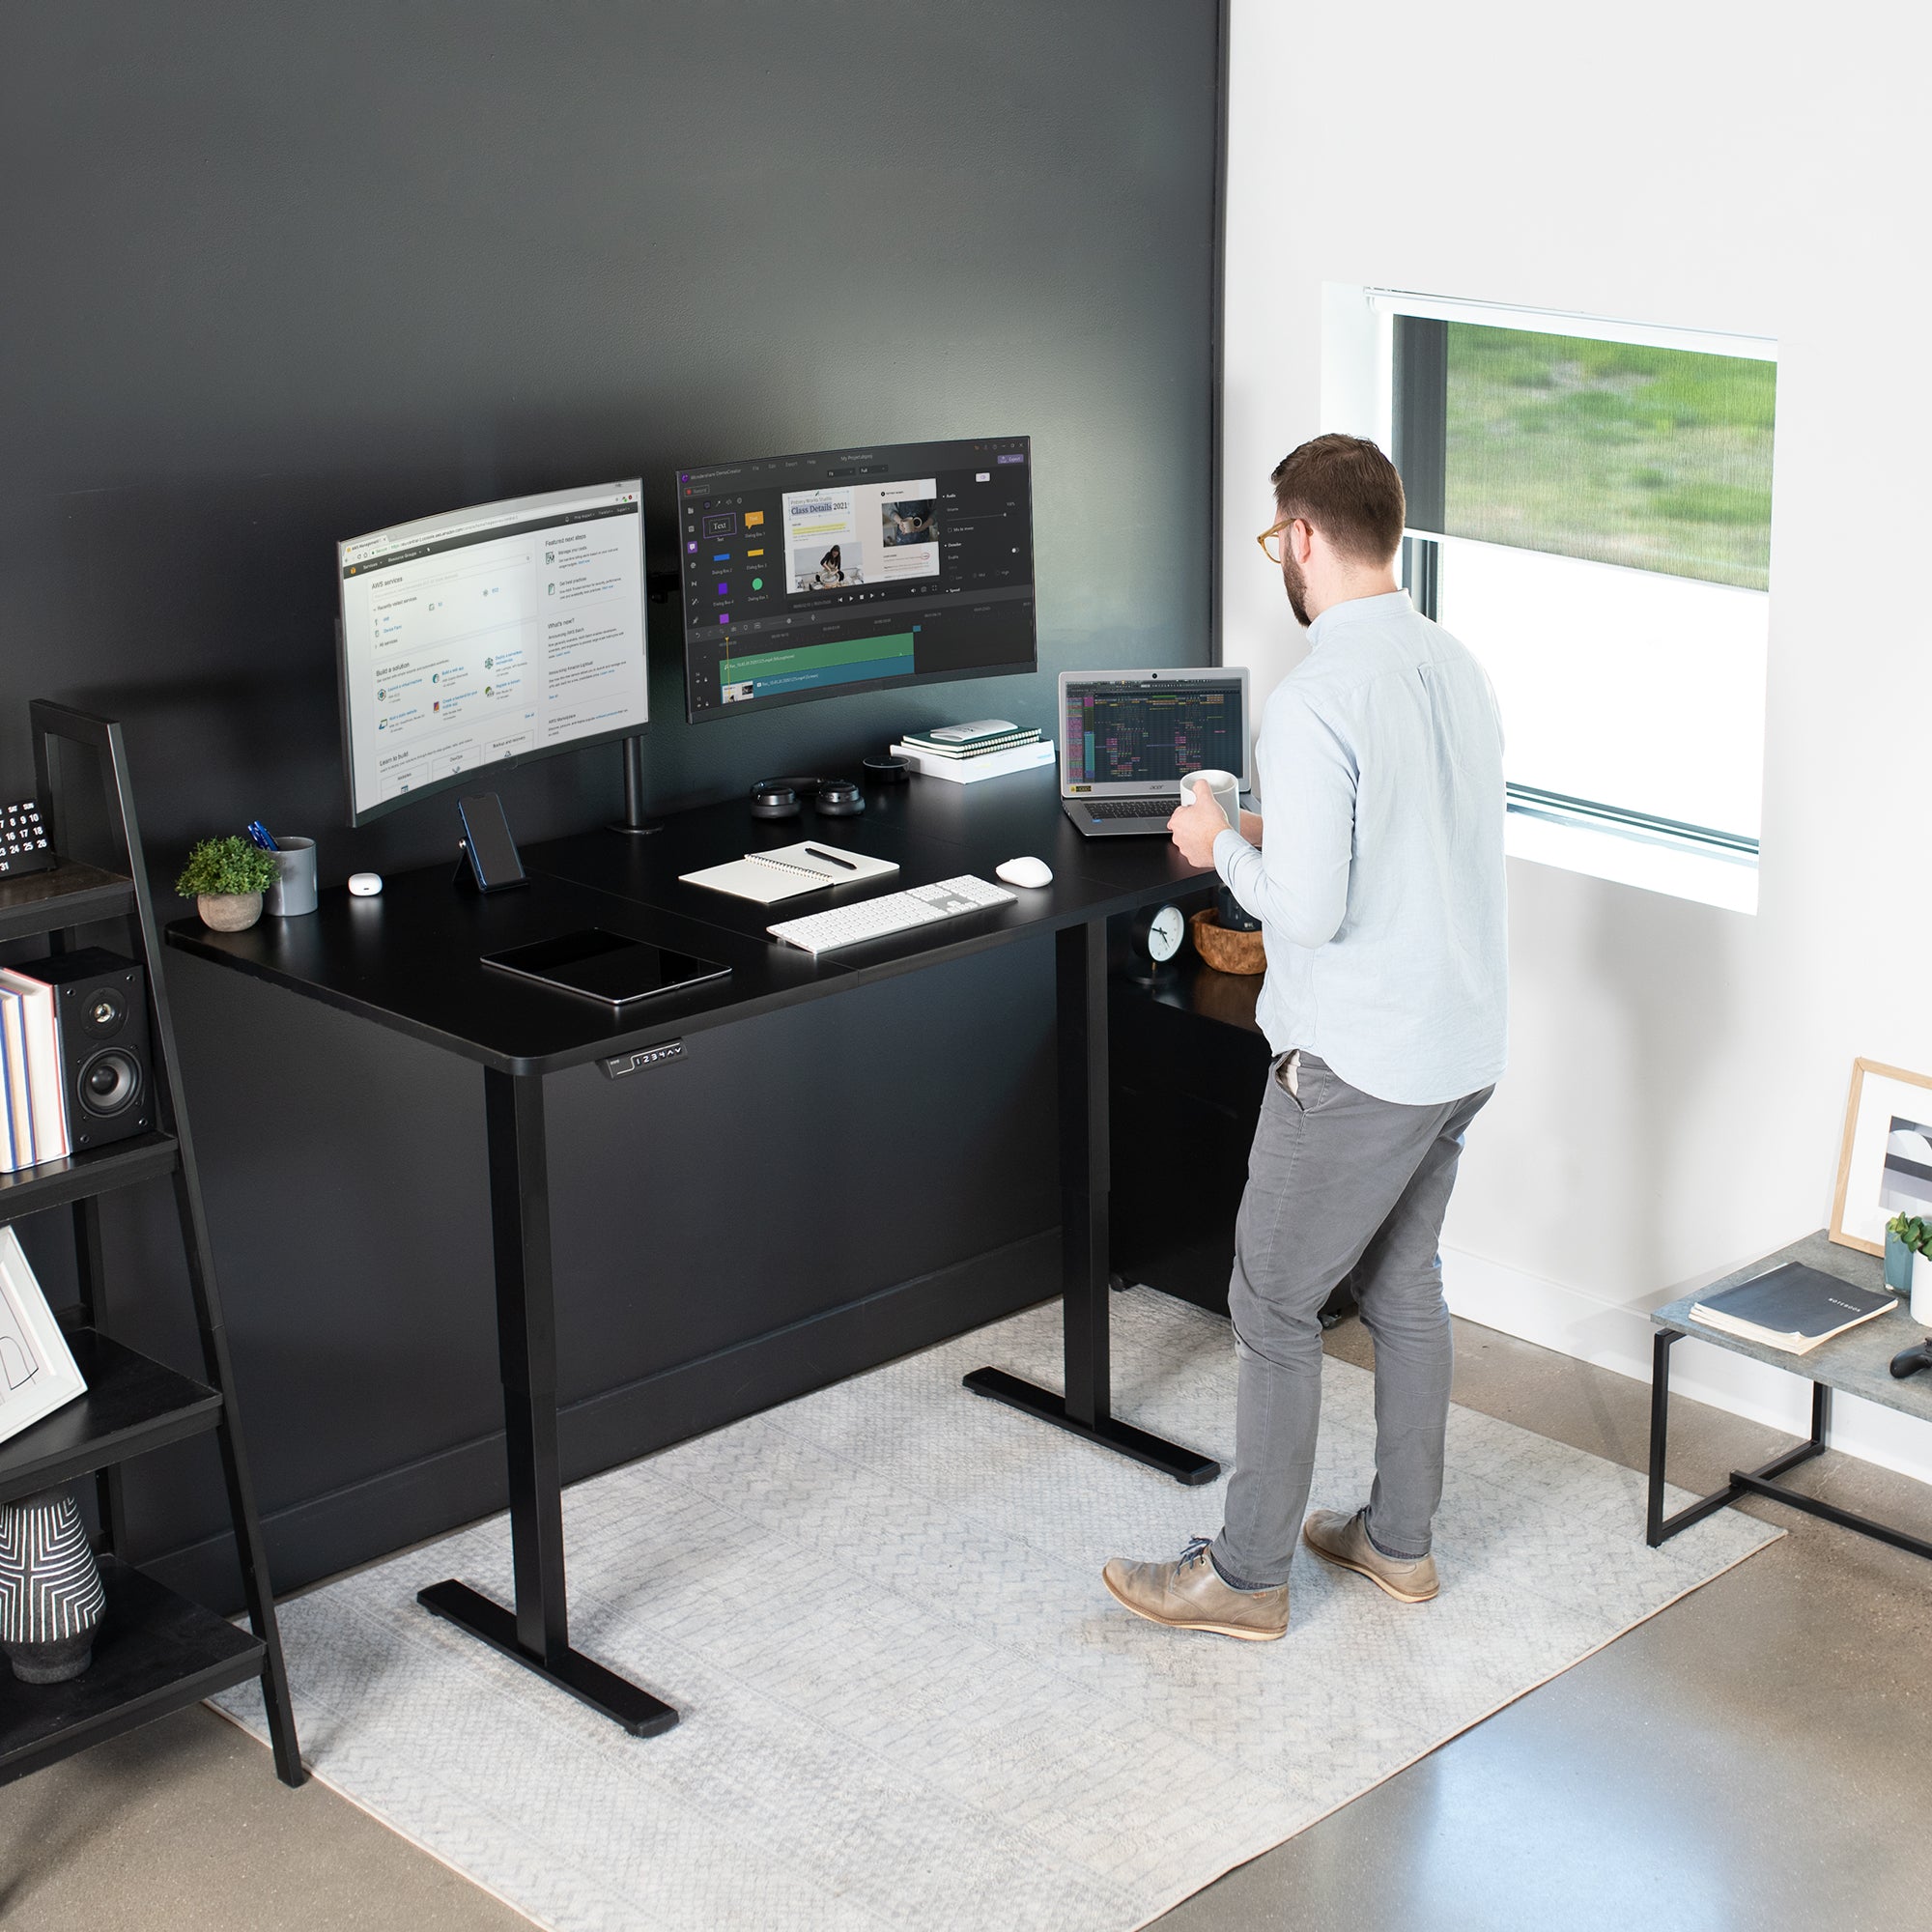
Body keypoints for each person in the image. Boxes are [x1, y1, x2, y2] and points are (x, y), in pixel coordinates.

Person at [1102, 434, 1507, 1641]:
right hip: (1458, 1045)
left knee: (1271, 1302)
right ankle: (1397, 1543)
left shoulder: (1316, 691)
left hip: (1359, 1061)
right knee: (1403, 1283)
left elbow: (1314, 910)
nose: (1281, 557)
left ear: (1307, 538)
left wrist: (1217, 842)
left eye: (1279, 538)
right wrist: (1265, 818)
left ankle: (1244, 1573)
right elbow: (1404, 828)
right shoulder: (1452, 663)